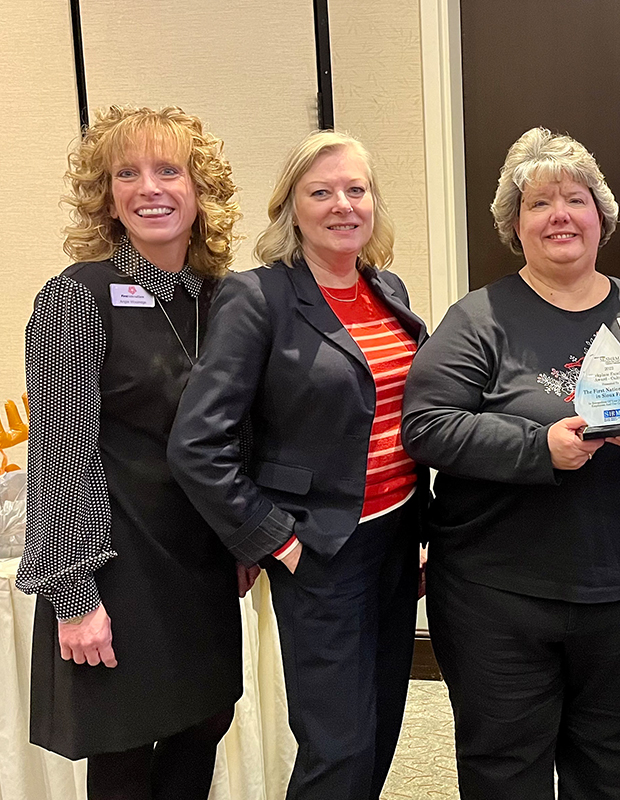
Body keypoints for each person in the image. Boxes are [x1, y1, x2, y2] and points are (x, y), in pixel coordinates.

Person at [400, 127, 620, 800]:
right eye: (538, 203)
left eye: (575, 199)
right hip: (500, 597)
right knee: (504, 767)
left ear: (601, 218)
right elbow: (427, 426)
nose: (559, 215)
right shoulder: (478, 319)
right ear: (513, 225)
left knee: (614, 766)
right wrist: (537, 449)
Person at [168, 130, 427, 800]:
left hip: (397, 543)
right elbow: (197, 444)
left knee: (379, 731)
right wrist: (275, 541)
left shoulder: (386, 289)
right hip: (321, 549)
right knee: (336, 748)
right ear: (291, 208)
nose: (343, 205)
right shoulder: (258, 298)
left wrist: (423, 532)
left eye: (356, 189)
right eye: (321, 192)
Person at [16, 105, 243, 799]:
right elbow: (60, 459)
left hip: (200, 564)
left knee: (203, 724)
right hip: (116, 564)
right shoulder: (74, 300)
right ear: (107, 195)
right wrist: (75, 593)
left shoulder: (220, 299)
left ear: (199, 189)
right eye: (128, 173)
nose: (150, 187)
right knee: (124, 750)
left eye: (169, 170)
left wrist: (244, 539)